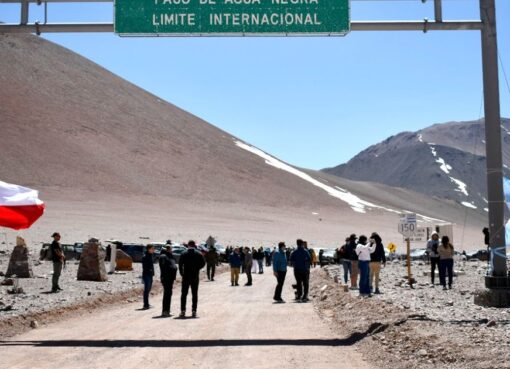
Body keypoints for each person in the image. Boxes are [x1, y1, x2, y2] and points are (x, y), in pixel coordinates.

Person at [178, 240, 206, 318]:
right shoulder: (198, 254)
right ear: (194, 245)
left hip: (186, 276)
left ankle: (183, 311)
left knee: (184, 294)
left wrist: (182, 273)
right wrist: (197, 268)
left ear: (188, 245)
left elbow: (180, 264)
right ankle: (194, 311)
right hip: (195, 276)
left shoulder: (184, 254)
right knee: (194, 294)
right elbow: (203, 263)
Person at [159, 245, 177, 317]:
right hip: (166, 278)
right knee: (167, 294)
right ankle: (165, 311)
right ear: (167, 249)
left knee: (169, 294)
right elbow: (164, 267)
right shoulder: (163, 256)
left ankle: (167, 310)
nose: (171, 250)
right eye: (170, 249)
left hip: (170, 278)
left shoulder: (170, 256)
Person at [141, 245, 155, 309]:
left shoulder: (150, 256)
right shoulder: (145, 256)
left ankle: (147, 304)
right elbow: (145, 267)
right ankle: (145, 305)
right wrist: (150, 270)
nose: (153, 250)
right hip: (146, 275)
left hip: (150, 275)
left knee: (148, 289)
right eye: (152, 249)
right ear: (148, 249)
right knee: (146, 290)